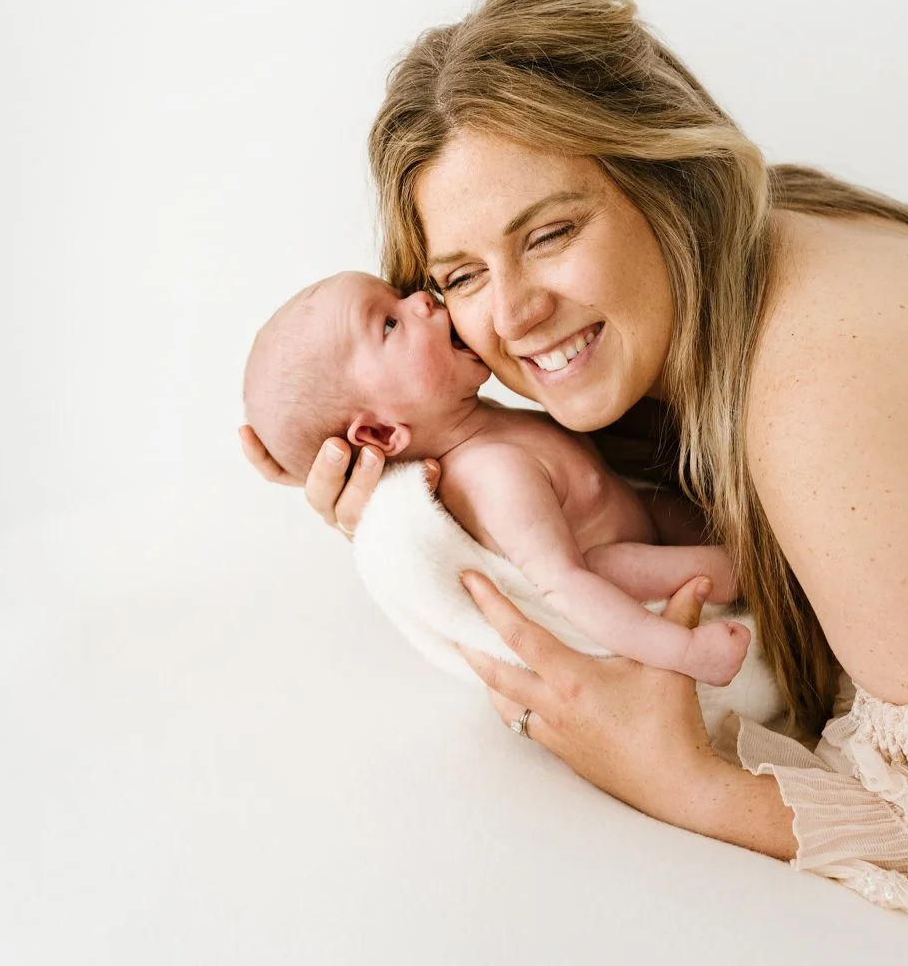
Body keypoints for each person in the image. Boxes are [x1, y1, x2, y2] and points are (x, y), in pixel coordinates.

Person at [240, 0, 908, 959]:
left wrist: (684, 785)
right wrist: (414, 511)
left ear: (661, 176)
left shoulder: (815, 400)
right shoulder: (763, 239)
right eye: (461, 276)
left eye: (549, 234)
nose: (512, 315)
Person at [241, 269, 749, 683]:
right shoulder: (493, 474)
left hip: (641, 518)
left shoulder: (483, 423)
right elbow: (566, 588)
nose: (422, 299)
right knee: (678, 565)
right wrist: (683, 651)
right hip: (621, 593)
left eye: (399, 294)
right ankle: (735, 576)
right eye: (390, 324)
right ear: (379, 433)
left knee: (697, 512)